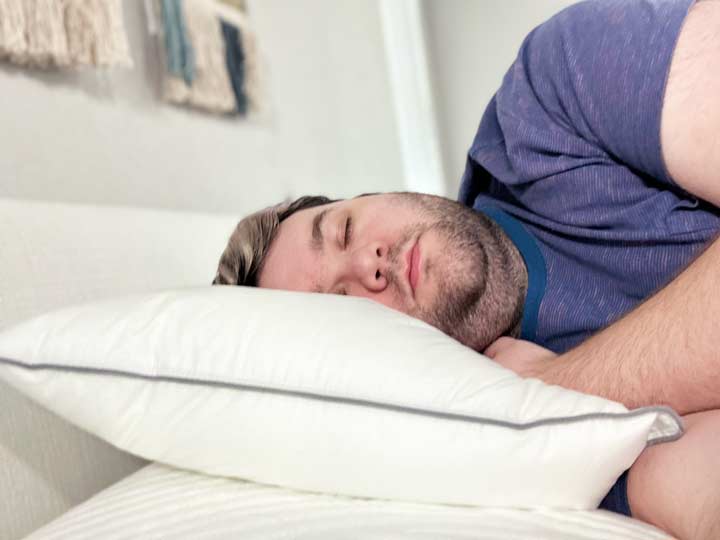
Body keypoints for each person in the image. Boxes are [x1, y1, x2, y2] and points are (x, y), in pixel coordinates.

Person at [213, 1, 720, 538]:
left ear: (375, 193)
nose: (368, 263)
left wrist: (560, 385)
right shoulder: (527, 450)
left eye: (344, 229)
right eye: (339, 303)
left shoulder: (551, 95)